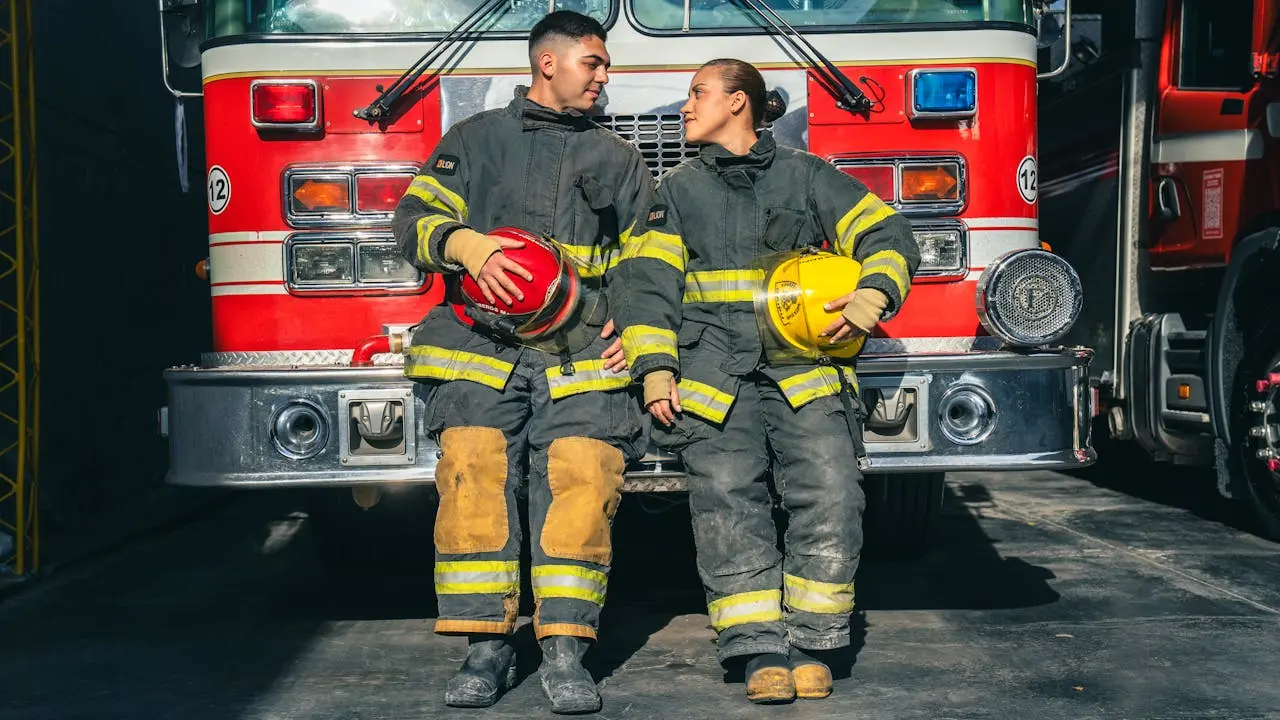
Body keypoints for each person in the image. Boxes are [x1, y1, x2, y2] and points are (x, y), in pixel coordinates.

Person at [611, 58, 920, 704]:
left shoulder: (808, 178)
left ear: (739, 104)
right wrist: (656, 368)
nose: (686, 106)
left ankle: (814, 642)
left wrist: (874, 293)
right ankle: (756, 648)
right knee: (727, 505)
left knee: (832, 495)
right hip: (713, 379)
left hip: (805, 374)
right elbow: (646, 286)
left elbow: (887, 232)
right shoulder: (675, 193)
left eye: (698, 94)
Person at [391, 10, 654, 714]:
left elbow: (651, 259)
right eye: (593, 63)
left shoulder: (618, 158)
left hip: (584, 349)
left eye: (603, 65)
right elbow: (410, 222)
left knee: (585, 476)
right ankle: (487, 648)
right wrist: (461, 244)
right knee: (472, 473)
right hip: (482, 350)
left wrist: (640, 324)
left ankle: (566, 650)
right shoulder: (473, 143)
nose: (605, 76)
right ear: (549, 63)